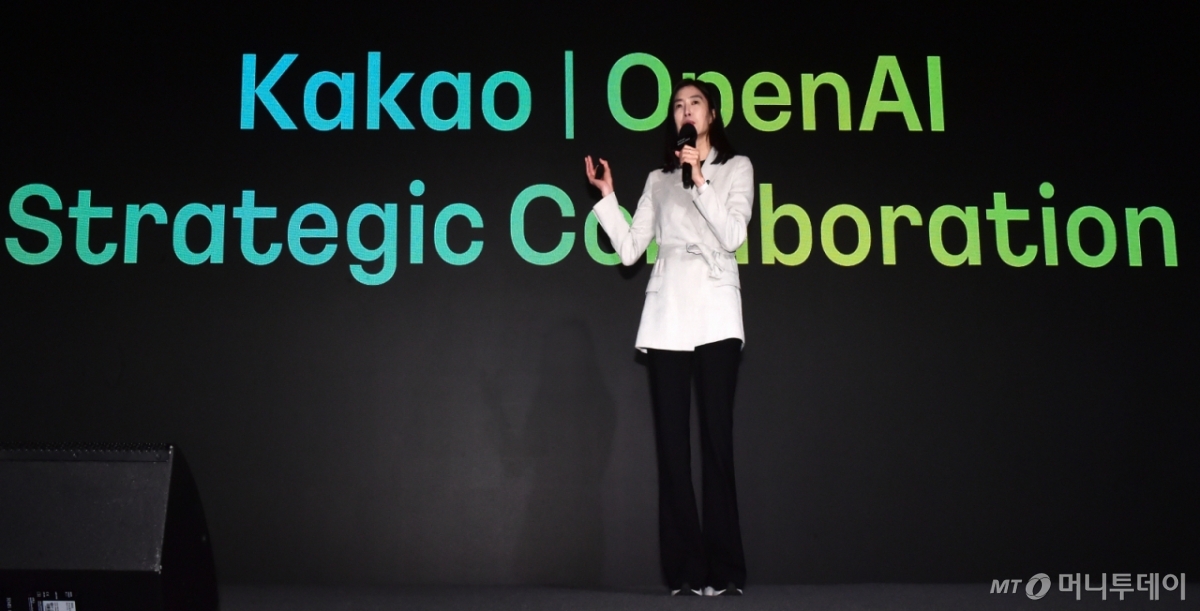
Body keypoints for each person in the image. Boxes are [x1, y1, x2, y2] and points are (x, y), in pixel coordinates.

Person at [584, 79, 752, 597]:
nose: (686, 111)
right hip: (668, 316)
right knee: (672, 449)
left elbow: (734, 235)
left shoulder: (736, 168)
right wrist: (608, 198)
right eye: (678, 105)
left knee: (717, 442)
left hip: (716, 311)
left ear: (711, 114)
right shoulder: (658, 180)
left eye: (694, 103)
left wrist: (699, 179)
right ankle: (685, 570)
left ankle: (725, 570)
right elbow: (630, 251)